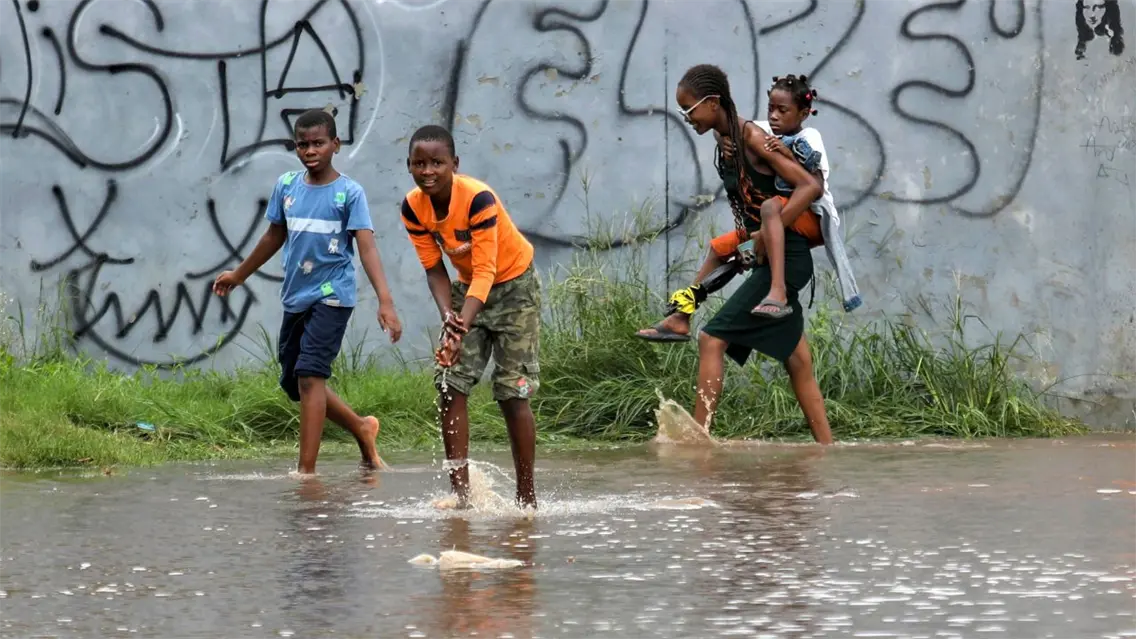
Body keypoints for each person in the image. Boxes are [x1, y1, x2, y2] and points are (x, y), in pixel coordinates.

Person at [640, 64, 834, 443]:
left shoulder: (755, 139)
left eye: (689, 110)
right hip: (770, 249)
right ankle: (828, 449)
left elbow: (809, 185)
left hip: (787, 255)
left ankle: (699, 437)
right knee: (797, 361)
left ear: (712, 103)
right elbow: (728, 140)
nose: (686, 119)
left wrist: (763, 236)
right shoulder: (726, 136)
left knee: (711, 339)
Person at [213, 108, 403, 475]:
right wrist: (239, 274)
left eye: (318, 143)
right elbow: (273, 236)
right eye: (303, 144)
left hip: (333, 295)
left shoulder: (349, 193)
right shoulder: (287, 187)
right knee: (294, 381)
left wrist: (385, 301)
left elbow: (366, 246)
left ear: (336, 144)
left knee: (311, 376)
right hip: (296, 295)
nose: (310, 150)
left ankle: (306, 472)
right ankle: (362, 427)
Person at [400, 124, 540, 509]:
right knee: (449, 381)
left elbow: (487, 270)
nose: (428, 171)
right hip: (467, 291)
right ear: (409, 166)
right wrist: (450, 318)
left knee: (513, 391)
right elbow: (434, 270)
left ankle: (526, 497)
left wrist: (460, 322)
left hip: (514, 288)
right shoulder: (413, 206)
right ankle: (461, 494)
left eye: (437, 163)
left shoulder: (478, 199)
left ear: (454, 164)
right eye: (419, 163)